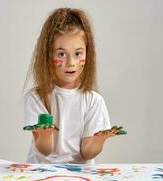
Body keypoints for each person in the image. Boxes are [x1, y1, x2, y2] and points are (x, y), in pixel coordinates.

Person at [23, 8, 121, 164]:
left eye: (78, 53)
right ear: (48, 55)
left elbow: (87, 153)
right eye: (61, 54)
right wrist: (45, 135)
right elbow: (45, 150)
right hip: (41, 173)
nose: (71, 63)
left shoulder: (94, 101)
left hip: (79, 176)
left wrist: (98, 140)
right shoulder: (36, 98)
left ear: (88, 54)